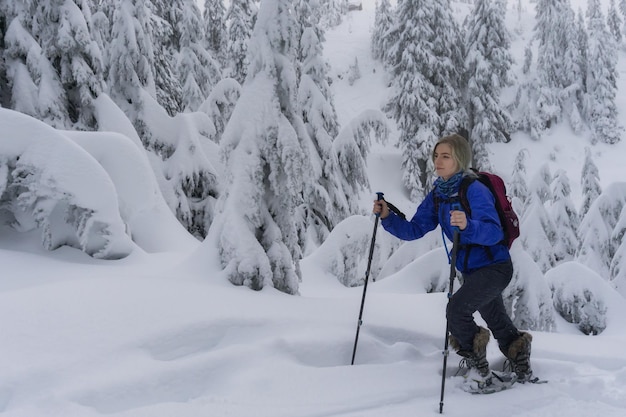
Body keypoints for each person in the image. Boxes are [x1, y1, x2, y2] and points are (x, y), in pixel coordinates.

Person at [372, 133, 533, 388]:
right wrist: (388, 216)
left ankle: (480, 372)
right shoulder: (439, 194)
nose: (438, 161)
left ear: (459, 158)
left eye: (445, 156)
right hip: (471, 270)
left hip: (495, 267)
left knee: (456, 311)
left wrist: (468, 225)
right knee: (495, 318)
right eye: (436, 156)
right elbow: (415, 229)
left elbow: (494, 232)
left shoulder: (475, 189)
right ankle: (522, 367)